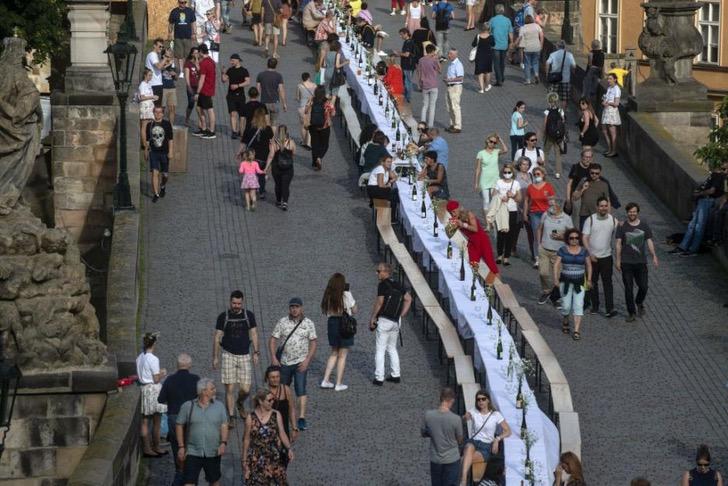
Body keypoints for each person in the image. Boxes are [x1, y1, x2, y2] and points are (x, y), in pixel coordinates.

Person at [269, 297, 318, 431]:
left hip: (301, 363)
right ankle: (279, 413)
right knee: (282, 389)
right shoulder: (282, 322)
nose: (294, 309)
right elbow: (273, 339)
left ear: (301, 308)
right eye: (292, 307)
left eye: (297, 307)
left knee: (301, 390)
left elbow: (313, 342)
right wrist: (273, 357)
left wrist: (307, 360)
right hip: (284, 362)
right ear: (289, 308)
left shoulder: (308, 323)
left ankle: (301, 418)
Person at [212, 290, 260, 426]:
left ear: (242, 302)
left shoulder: (248, 315)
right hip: (228, 355)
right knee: (230, 389)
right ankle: (231, 416)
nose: (236, 306)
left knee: (245, 389)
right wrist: (215, 357)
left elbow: (254, 334)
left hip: (244, 355)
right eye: (234, 303)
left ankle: (240, 402)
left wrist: (256, 352)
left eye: (239, 303)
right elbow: (217, 337)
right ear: (230, 302)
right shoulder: (223, 317)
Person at [175, 378, 228, 486]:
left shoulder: (220, 406)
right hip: (192, 451)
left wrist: (223, 443)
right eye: (212, 389)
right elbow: (179, 425)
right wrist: (181, 446)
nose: (215, 390)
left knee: (214, 480)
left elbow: (224, 425)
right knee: (189, 481)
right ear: (203, 391)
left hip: (213, 451)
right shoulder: (187, 406)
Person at [158, 353, 200, 486]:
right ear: (190, 365)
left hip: (174, 418)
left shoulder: (170, 380)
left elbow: (161, 399)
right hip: (191, 418)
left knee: (177, 448)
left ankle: (180, 472)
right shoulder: (196, 379)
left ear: (177, 365)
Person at [670, 162, 727, 256]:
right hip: (703, 200)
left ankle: (691, 249)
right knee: (693, 225)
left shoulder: (718, 175)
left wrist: (699, 193)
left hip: (706, 201)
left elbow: (712, 191)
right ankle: (684, 247)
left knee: (698, 226)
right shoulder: (716, 175)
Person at [369, 262, 412, 386]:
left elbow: (380, 302)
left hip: (384, 320)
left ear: (386, 272)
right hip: (395, 321)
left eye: (379, 271)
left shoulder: (382, 285)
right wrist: (401, 314)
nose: (376, 273)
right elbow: (408, 299)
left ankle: (379, 378)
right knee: (392, 348)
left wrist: (372, 318)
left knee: (380, 349)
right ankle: (395, 374)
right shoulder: (398, 284)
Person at [616, 202, 659, 322]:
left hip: (641, 262)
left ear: (637, 212)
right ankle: (631, 313)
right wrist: (618, 260)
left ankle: (639, 301)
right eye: (630, 212)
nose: (632, 214)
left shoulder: (644, 226)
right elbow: (618, 244)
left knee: (644, 286)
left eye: (634, 211)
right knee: (628, 288)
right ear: (627, 213)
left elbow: (649, 241)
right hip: (626, 262)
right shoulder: (622, 226)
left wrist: (654, 255)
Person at [458, 390, 512, 486]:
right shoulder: (474, 411)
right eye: (478, 399)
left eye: (483, 399)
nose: (481, 402)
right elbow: (466, 416)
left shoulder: (495, 415)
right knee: (469, 447)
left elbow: (508, 431)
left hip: (486, 446)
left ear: (488, 400)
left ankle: (465, 480)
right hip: (473, 442)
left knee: (463, 460)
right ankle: (463, 480)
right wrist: (465, 417)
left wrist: (497, 439)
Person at [242, 389, 294, 485]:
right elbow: (246, 439)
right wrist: (244, 460)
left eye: (273, 400)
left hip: (274, 458)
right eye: (269, 400)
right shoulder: (251, 417)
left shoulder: (276, 414)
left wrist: (289, 448)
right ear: (261, 401)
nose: (272, 402)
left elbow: (282, 433)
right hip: (256, 459)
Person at [320, 273, 358, 391]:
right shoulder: (346, 294)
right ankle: (339, 383)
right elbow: (354, 310)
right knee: (342, 355)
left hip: (332, 323)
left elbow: (326, 312)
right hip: (344, 324)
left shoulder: (328, 294)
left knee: (334, 353)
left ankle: (325, 380)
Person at [553, 228, 591, 340]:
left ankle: (576, 330)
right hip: (565, 282)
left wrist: (589, 279)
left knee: (578, 305)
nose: (574, 240)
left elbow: (589, 265)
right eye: (571, 238)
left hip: (579, 283)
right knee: (565, 306)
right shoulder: (562, 250)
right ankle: (565, 317)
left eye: (576, 238)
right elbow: (556, 265)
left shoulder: (584, 251)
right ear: (567, 239)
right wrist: (555, 278)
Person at [583, 197, 618, 317]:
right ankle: (595, 305)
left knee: (608, 283)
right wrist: (589, 253)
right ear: (597, 207)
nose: (604, 208)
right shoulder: (590, 220)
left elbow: (621, 233)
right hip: (592, 257)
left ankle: (610, 308)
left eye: (605, 206)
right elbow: (584, 238)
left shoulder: (613, 220)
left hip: (607, 256)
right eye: (601, 206)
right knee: (592, 282)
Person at [422, 387, 463, 486]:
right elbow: (460, 440)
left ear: (440, 398)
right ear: (452, 400)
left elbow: (423, 433)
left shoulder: (428, 415)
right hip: (452, 459)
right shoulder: (456, 419)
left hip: (435, 459)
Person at [447, 200, 500, 276]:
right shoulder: (456, 219)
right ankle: (477, 284)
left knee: (491, 266)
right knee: (473, 265)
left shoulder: (469, 214)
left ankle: (497, 285)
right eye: (450, 213)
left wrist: (463, 225)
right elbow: (449, 234)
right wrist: (450, 227)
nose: (453, 214)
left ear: (458, 209)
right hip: (472, 243)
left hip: (482, 241)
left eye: (454, 211)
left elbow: (475, 229)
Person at [136, 332, 168, 457]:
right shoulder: (154, 359)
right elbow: (155, 379)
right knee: (157, 421)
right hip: (153, 391)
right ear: (154, 343)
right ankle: (157, 446)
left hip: (144, 389)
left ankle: (146, 448)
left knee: (144, 421)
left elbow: (145, 374)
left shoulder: (139, 357)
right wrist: (163, 373)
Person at [536, 197, 571, 304]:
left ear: (560, 207)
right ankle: (547, 291)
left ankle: (556, 296)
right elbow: (539, 228)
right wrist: (539, 244)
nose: (552, 208)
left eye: (554, 206)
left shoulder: (566, 218)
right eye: (551, 205)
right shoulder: (545, 215)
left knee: (558, 276)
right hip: (544, 249)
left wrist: (562, 237)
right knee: (543, 273)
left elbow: (572, 235)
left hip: (558, 252)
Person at [523, 166, 556, 267]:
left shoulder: (548, 187)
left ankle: (549, 256)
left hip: (546, 214)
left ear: (543, 175)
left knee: (547, 235)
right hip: (534, 213)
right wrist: (525, 213)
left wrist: (554, 213)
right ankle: (537, 258)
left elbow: (552, 201)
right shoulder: (530, 187)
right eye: (535, 174)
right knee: (536, 237)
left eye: (538, 174)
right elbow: (526, 201)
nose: (537, 176)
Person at [241, 107, 274, 198]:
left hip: (251, 156)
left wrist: (239, 152)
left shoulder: (249, 128)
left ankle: (253, 189)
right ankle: (261, 191)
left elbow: (244, 142)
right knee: (262, 175)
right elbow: (271, 142)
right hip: (263, 156)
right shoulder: (268, 129)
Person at [492, 163, 521, 265]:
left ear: (512, 173)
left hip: (512, 210)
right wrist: (501, 197)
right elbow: (493, 195)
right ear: (502, 173)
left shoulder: (516, 183)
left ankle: (506, 257)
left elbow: (519, 199)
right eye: (505, 172)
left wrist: (512, 196)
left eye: (509, 172)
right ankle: (499, 255)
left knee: (510, 234)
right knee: (501, 233)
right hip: (501, 210)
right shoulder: (499, 182)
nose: (507, 174)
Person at [144, 106, 174, 203]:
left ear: (162, 113)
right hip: (154, 152)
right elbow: (148, 141)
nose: (157, 114)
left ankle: (163, 186)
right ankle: (156, 193)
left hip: (164, 152)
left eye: (159, 112)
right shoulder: (150, 125)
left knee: (165, 175)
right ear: (153, 113)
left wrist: (171, 151)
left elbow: (170, 139)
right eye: (156, 112)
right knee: (154, 173)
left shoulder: (167, 124)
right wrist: (146, 151)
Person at [474, 133, 508, 216]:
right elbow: (478, 169)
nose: (492, 143)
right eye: (491, 141)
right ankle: (488, 221)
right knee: (486, 200)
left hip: (495, 179)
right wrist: (476, 183)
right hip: (484, 179)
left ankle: (492, 216)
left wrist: (500, 140)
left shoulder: (496, 151)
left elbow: (506, 150)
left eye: (494, 142)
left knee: (494, 199)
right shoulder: (481, 153)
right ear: (487, 141)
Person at [264, 366, 298, 443]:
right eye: (272, 377)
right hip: (268, 430)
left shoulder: (286, 390)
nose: (275, 379)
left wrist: (294, 427)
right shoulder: (263, 393)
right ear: (267, 378)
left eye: (277, 377)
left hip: (284, 428)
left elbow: (291, 409)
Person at [266, 124, 296, 210]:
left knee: (278, 184)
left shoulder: (274, 143)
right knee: (285, 185)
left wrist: (266, 168)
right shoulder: (291, 142)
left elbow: (271, 156)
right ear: (286, 132)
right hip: (288, 168)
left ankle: (278, 200)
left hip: (276, 167)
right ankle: (285, 202)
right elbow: (293, 153)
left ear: (278, 132)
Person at [571, 163, 610, 229]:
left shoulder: (604, 185)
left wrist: (608, 215)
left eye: (596, 173)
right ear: (589, 172)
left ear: (600, 173)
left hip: (598, 214)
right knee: (583, 236)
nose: (594, 175)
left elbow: (607, 200)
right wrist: (583, 189)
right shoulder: (584, 181)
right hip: (584, 214)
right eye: (592, 173)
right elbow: (575, 197)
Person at [305, 85, 335, 171]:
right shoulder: (327, 102)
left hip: (313, 126)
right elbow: (333, 113)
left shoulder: (312, 100)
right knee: (325, 144)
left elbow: (306, 111)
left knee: (315, 144)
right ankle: (319, 157)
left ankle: (314, 162)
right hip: (325, 126)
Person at [221, 53, 250, 140]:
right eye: (231, 60)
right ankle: (234, 131)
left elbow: (248, 82)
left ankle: (241, 131)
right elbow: (224, 80)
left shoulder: (244, 71)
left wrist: (238, 85)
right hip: (231, 96)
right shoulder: (230, 70)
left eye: (232, 60)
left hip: (240, 96)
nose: (231, 62)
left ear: (238, 60)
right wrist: (223, 73)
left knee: (242, 116)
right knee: (233, 113)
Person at [513, 156, 535, 260]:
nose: (525, 166)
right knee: (516, 230)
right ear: (519, 165)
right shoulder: (515, 177)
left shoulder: (531, 176)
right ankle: (513, 249)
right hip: (517, 207)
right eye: (523, 164)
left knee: (531, 231)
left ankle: (533, 252)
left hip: (529, 208)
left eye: (527, 164)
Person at [545, 40, 575, 112]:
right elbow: (574, 66)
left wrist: (547, 74)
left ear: (557, 46)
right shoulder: (569, 55)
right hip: (566, 79)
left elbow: (547, 63)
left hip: (554, 78)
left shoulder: (553, 54)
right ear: (564, 47)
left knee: (552, 95)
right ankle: (562, 113)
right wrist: (572, 72)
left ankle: (553, 110)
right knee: (564, 98)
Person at [257, 58, 287, 129]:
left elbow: (257, 89)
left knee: (265, 123)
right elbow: (281, 90)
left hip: (264, 101)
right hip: (275, 102)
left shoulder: (260, 75)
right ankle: (272, 139)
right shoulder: (278, 76)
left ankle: (265, 139)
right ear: (276, 65)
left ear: (267, 64)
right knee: (274, 124)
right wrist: (284, 103)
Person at [168, 0, 197, 75]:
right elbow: (171, 23)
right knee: (179, 55)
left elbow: (193, 22)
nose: (183, 4)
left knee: (187, 55)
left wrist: (194, 33)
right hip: (178, 37)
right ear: (178, 2)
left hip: (188, 36)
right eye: (181, 2)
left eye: (184, 2)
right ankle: (181, 71)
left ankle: (187, 69)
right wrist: (170, 33)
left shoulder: (190, 11)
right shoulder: (174, 12)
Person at [195, 44, 217, 139]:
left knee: (209, 110)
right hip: (209, 88)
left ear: (200, 52)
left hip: (205, 89)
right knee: (199, 108)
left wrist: (197, 92)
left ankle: (211, 131)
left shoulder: (204, 63)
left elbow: (202, 79)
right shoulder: (211, 61)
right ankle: (203, 128)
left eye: (198, 53)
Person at [565, 148, 593, 219]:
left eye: (590, 157)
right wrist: (568, 200)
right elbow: (569, 184)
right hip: (576, 198)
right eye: (586, 157)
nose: (588, 159)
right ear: (582, 157)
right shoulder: (576, 167)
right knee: (576, 219)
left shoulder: (593, 168)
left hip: (588, 198)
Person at [542, 91, 565, 179]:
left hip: (549, 135)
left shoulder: (547, 111)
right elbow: (563, 122)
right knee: (558, 154)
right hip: (558, 136)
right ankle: (558, 172)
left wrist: (544, 133)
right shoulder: (560, 110)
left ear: (549, 101)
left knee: (546, 152)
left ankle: (544, 170)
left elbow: (545, 123)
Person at [489, 4, 513, 87]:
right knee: (502, 63)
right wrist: (512, 43)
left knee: (496, 63)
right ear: (503, 11)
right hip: (504, 45)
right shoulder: (507, 20)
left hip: (495, 45)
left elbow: (488, 31)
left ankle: (499, 80)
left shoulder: (492, 20)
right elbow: (510, 33)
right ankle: (501, 77)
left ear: (496, 11)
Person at [418, 44, 441, 128]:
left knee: (424, 105)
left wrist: (420, 82)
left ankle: (422, 123)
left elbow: (419, 72)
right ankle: (430, 125)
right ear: (432, 51)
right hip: (433, 84)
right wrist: (437, 60)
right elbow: (439, 70)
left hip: (425, 84)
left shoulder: (421, 60)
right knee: (432, 106)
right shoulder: (433, 60)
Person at [518, 15, 543, 85]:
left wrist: (516, 45)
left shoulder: (523, 28)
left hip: (527, 48)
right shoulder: (537, 26)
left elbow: (520, 37)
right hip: (536, 47)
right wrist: (541, 45)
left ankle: (528, 80)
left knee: (527, 64)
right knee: (535, 62)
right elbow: (541, 35)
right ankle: (536, 74)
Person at [601, 72, 621, 157]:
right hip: (606, 110)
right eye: (608, 79)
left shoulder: (617, 89)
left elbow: (616, 103)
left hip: (612, 112)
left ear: (615, 80)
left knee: (613, 133)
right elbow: (607, 98)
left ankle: (614, 151)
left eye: (610, 79)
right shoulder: (609, 88)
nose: (608, 80)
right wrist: (604, 101)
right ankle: (610, 149)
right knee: (604, 130)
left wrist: (608, 103)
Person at [444, 49, 463, 133]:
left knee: (455, 106)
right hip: (449, 87)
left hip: (455, 87)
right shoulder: (451, 64)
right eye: (449, 53)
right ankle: (452, 124)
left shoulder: (458, 64)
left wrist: (449, 80)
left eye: (451, 54)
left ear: (456, 55)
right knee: (449, 107)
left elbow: (460, 77)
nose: (449, 55)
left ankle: (458, 126)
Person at [471, 23, 495, 94]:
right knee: (487, 72)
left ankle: (481, 89)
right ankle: (487, 86)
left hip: (479, 56)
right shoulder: (491, 37)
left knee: (480, 73)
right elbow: (493, 44)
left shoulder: (478, 36)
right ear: (489, 29)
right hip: (488, 56)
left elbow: (473, 44)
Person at [295, 72, 316, 148]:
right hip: (311, 107)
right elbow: (316, 96)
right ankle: (309, 142)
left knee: (303, 125)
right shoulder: (314, 85)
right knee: (310, 125)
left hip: (302, 107)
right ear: (309, 77)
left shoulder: (299, 86)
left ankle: (304, 141)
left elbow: (297, 97)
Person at [395, 28, 416, 103]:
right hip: (406, 65)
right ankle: (405, 96)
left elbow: (407, 54)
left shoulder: (408, 43)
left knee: (408, 82)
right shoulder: (408, 42)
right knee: (405, 81)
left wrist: (398, 54)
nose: (400, 37)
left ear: (406, 34)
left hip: (408, 65)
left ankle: (407, 98)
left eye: (401, 35)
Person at [145, 38, 167, 107]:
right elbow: (159, 67)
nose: (161, 48)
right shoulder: (152, 55)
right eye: (159, 46)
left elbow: (159, 68)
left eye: (162, 47)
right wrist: (165, 58)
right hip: (154, 85)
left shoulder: (155, 56)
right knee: (156, 107)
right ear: (154, 46)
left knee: (157, 106)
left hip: (156, 84)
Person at [183, 47, 201, 129]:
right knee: (191, 103)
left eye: (198, 53)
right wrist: (188, 86)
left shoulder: (200, 62)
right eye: (195, 53)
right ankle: (187, 119)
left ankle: (201, 121)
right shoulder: (188, 63)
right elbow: (186, 76)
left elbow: (200, 71)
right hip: (191, 86)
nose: (196, 54)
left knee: (200, 104)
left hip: (199, 86)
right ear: (191, 54)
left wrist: (197, 62)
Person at [138, 68, 157, 141]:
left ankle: (147, 141)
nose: (151, 77)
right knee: (144, 126)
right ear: (145, 75)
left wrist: (153, 98)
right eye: (149, 75)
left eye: (151, 75)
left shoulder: (148, 84)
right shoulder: (143, 84)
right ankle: (144, 143)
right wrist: (152, 96)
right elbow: (142, 97)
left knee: (149, 125)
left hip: (150, 106)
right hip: (145, 107)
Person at [161, 49, 178, 123]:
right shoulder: (160, 63)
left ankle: (171, 127)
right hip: (163, 88)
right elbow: (160, 68)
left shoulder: (172, 64)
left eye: (170, 56)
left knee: (172, 108)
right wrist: (168, 64)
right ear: (163, 56)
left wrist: (175, 75)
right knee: (162, 108)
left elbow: (176, 79)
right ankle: (159, 125)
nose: (169, 58)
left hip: (172, 88)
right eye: (167, 56)